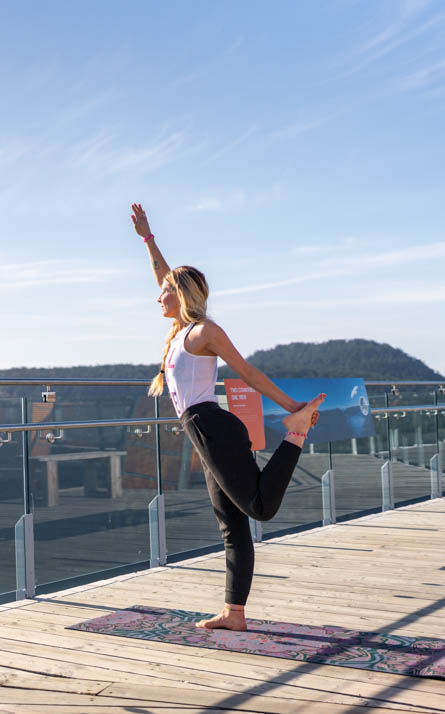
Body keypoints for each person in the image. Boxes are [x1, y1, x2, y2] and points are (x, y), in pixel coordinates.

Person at [131, 203, 325, 631]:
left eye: (164, 291)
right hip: (204, 432)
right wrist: (148, 238)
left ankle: (293, 437)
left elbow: (248, 371)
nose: (157, 295)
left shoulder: (204, 332)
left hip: (211, 427)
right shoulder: (181, 332)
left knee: (258, 506)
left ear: (180, 295)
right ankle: (233, 613)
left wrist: (292, 409)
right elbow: (163, 272)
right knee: (231, 524)